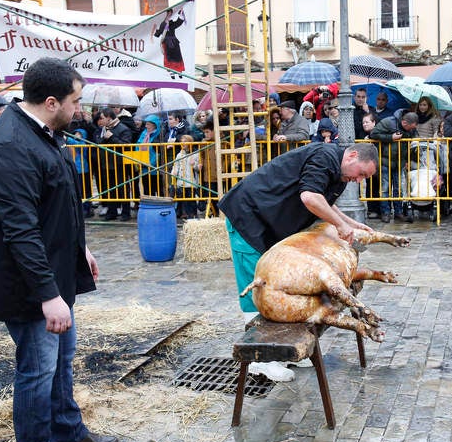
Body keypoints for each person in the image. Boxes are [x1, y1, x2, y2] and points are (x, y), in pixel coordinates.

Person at [0, 58, 115, 442]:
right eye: (75, 101)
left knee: (61, 359)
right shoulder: (11, 145)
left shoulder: (44, 132)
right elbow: (20, 229)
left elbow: (56, 202)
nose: (79, 109)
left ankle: (67, 432)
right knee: (37, 369)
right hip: (25, 283)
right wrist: (49, 295)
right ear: (51, 102)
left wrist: (80, 247)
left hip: (53, 268)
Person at [219, 141, 379, 382]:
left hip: (270, 223)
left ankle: (280, 350)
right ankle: (260, 361)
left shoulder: (340, 172)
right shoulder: (325, 157)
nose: (359, 180)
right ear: (352, 156)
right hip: (248, 215)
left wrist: (351, 223)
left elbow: (324, 201)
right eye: (362, 174)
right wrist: (340, 225)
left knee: (280, 285)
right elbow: (310, 197)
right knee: (259, 286)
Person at [370, 111, 419, 223]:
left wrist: (408, 159)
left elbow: (411, 143)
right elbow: (373, 134)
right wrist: (390, 137)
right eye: (411, 127)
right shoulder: (388, 122)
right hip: (385, 160)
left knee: (399, 188)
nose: (412, 129)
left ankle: (398, 212)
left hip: (400, 161)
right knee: (385, 188)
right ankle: (385, 213)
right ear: (404, 123)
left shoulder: (411, 129)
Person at [94, 108, 134, 221]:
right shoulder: (104, 129)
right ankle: (112, 212)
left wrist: (112, 137)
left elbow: (126, 145)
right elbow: (98, 143)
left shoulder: (123, 128)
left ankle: (126, 212)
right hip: (107, 163)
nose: (100, 120)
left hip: (120, 164)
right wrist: (104, 138)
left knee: (123, 188)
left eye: (102, 118)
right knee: (110, 188)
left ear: (109, 118)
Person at [170, 134, 199, 220]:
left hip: (191, 182)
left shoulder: (195, 154)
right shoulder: (179, 155)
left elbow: (198, 169)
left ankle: (193, 215)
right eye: (181, 142)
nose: (183, 143)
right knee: (182, 199)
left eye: (185, 142)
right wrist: (174, 172)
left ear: (190, 143)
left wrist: (195, 165)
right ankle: (184, 214)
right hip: (181, 181)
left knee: (191, 199)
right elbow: (176, 165)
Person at [136, 114, 164, 197]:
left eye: (148, 124)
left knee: (158, 190)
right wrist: (138, 160)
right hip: (144, 166)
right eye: (146, 124)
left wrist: (151, 163)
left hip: (155, 168)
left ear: (154, 125)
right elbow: (137, 145)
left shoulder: (159, 135)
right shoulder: (144, 133)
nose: (146, 126)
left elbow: (158, 152)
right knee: (147, 190)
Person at [152, 7, 186, 73]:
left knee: (177, 57)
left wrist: (181, 13)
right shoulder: (162, 24)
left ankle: (178, 70)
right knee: (169, 58)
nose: (169, 15)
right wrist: (156, 29)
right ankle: (171, 71)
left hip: (174, 43)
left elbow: (178, 23)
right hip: (167, 43)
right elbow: (157, 34)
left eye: (170, 14)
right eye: (168, 14)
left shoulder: (171, 24)